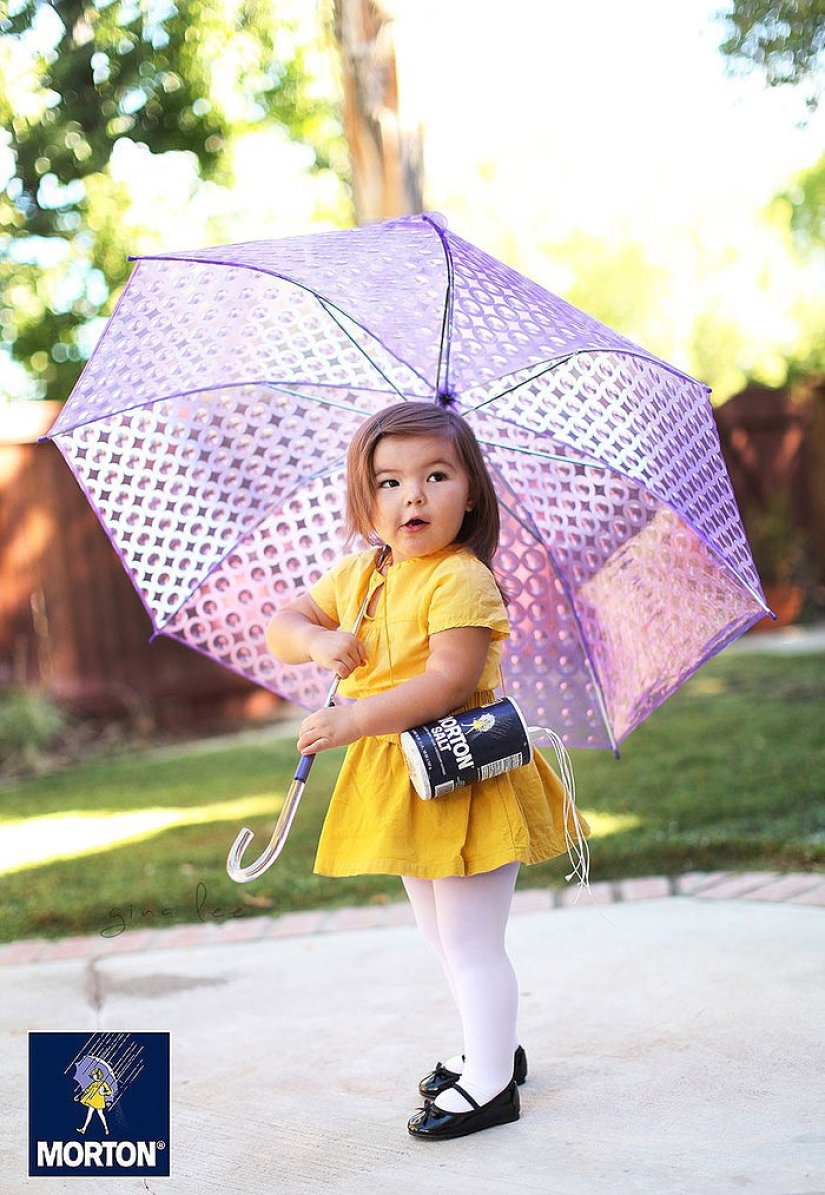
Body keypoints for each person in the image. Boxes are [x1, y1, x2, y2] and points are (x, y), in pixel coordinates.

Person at [266, 400, 587, 1140]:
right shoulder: (360, 573)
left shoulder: (460, 580)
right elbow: (282, 624)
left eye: (435, 475)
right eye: (388, 482)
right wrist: (317, 643)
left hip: (463, 771)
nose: (411, 496)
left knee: (472, 938)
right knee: (438, 931)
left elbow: (447, 680)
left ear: (469, 490)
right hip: (407, 782)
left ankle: (491, 1084)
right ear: (364, 497)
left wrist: (352, 718)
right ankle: (491, 1045)